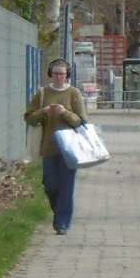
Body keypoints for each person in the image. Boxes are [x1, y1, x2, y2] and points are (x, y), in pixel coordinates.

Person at [25, 60, 88, 235]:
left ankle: (62, 223)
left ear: (67, 75)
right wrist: (44, 111)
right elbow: (29, 118)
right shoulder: (42, 93)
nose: (58, 77)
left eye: (62, 74)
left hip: (70, 148)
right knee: (50, 184)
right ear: (50, 74)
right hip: (49, 146)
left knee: (66, 187)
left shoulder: (74, 93)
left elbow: (81, 121)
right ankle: (58, 211)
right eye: (55, 73)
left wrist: (64, 113)